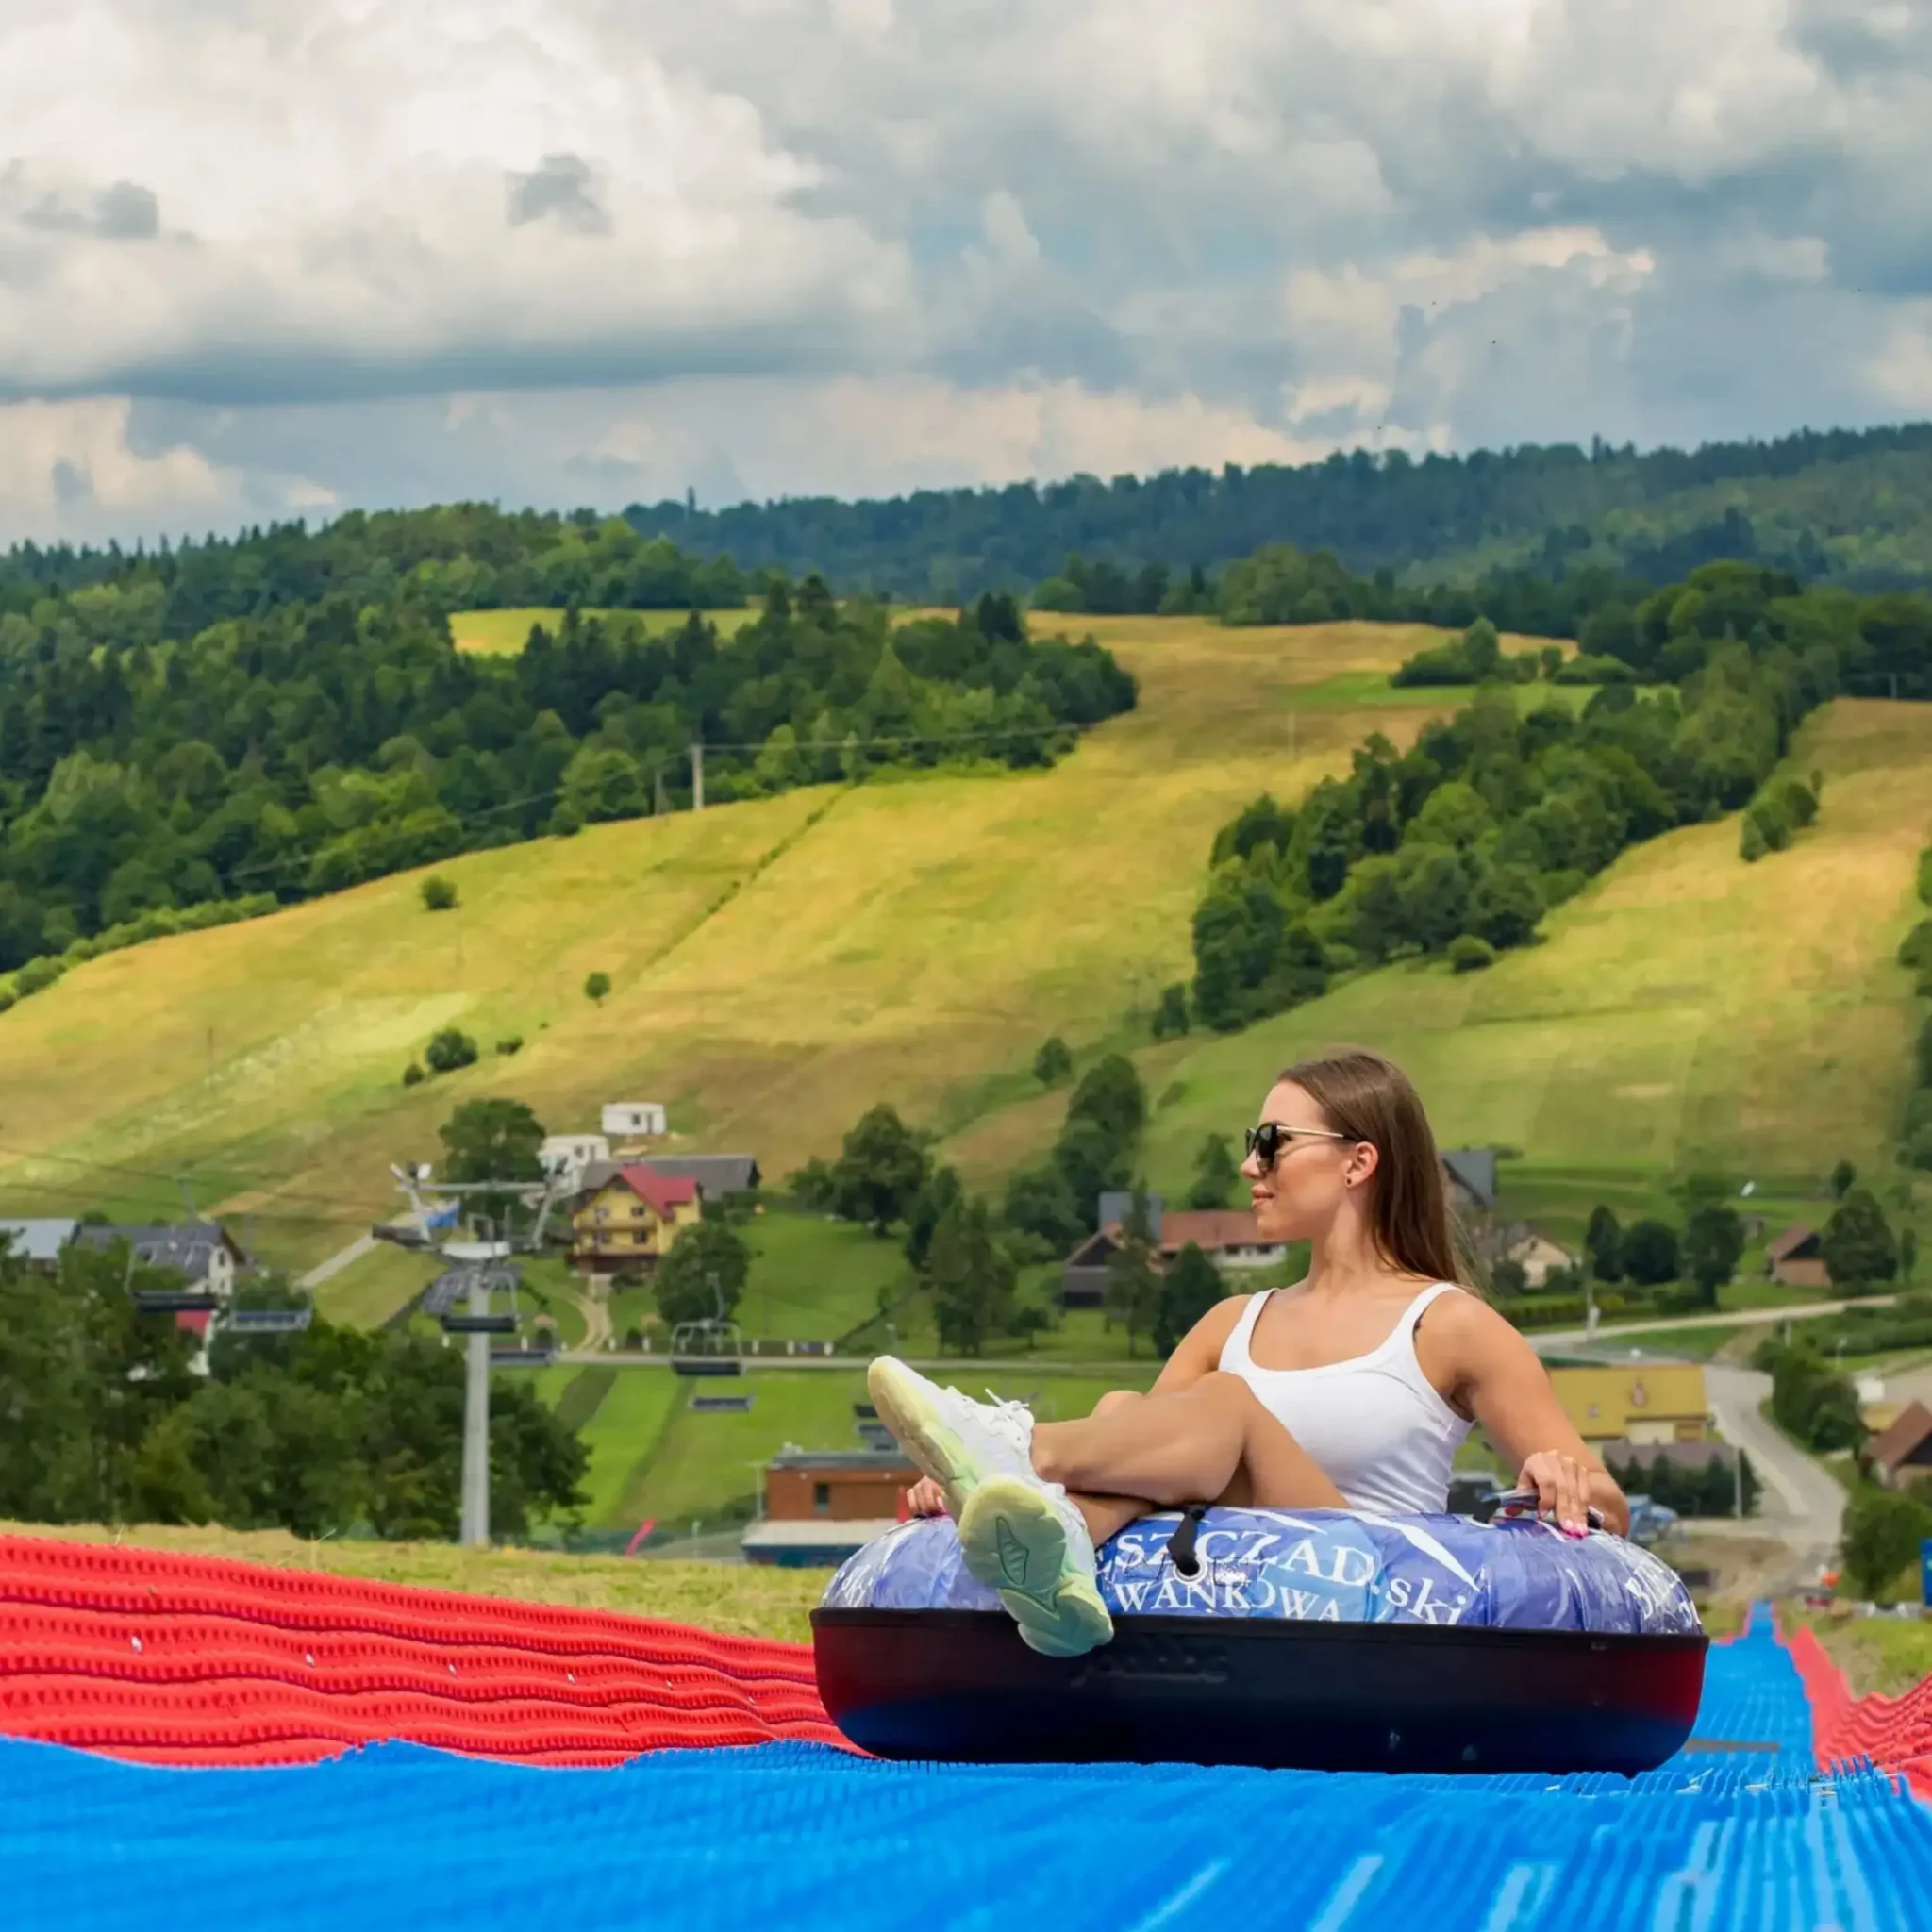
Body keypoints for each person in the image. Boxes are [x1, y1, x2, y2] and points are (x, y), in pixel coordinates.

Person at [868, 1046, 1629, 1657]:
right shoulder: (1228, 1322)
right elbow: (1141, 1462)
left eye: (1272, 1144)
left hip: (1367, 1599)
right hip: (1239, 1604)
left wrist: (1563, 1478)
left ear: (1358, 1163)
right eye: (1252, 1145)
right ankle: (1041, 1532)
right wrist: (977, 1500)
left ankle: (1013, 1446)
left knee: (1228, 1405)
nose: (1250, 1166)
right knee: (1127, 1413)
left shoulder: (1449, 1324)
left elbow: (1610, 1510)